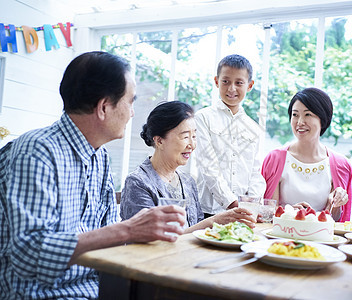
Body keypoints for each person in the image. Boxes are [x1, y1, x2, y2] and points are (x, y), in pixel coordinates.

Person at [0, 51, 187, 299]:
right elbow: (28, 256)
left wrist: (144, 232)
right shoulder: (37, 151)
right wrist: (128, 230)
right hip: (43, 294)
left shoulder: (100, 158)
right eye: (130, 102)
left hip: (99, 288)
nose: (132, 113)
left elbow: (109, 239)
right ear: (104, 107)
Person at [120, 101, 256, 230]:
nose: (192, 145)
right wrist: (213, 221)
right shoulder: (138, 182)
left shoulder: (188, 182)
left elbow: (195, 230)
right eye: (185, 137)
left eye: (194, 136)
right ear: (159, 141)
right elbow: (149, 240)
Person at [261, 88, 352, 222]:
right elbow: (265, 215)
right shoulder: (274, 159)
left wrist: (336, 203)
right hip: (281, 239)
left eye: (308, 114)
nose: (299, 122)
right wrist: (289, 213)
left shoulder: (341, 164)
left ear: (323, 118)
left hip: (321, 241)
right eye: (295, 114)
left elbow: (338, 221)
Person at [194, 54, 266, 218]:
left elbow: (255, 173)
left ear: (249, 85)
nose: (231, 88)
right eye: (226, 81)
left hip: (244, 212)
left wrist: (252, 205)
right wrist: (233, 204)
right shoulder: (202, 118)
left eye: (239, 82)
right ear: (216, 81)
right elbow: (208, 166)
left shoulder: (254, 128)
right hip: (208, 211)